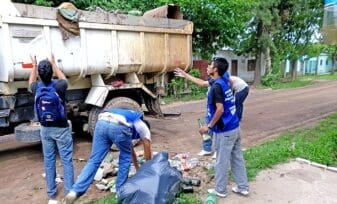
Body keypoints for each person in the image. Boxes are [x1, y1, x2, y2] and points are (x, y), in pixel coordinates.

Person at [65, 108, 151, 204]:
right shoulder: (144, 128)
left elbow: (130, 151)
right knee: (125, 160)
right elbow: (147, 149)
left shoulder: (131, 119)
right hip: (119, 126)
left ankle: (75, 191)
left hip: (102, 122)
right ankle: (120, 193)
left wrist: (137, 168)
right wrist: (148, 169)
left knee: (94, 160)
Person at [198, 57, 249, 198]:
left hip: (225, 131)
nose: (208, 67)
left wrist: (208, 126)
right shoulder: (224, 81)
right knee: (237, 158)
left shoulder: (216, 87)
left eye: (210, 65)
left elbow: (219, 110)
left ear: (215, 70)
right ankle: (243, 187)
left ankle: (220, 190)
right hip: (235, 127)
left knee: (221, 161)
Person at [28, 54, 74, 203]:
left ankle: (52, 193)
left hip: (45, 129)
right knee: (66, 160)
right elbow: (64, 79)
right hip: (61, 127)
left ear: (40, 75)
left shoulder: (37, 87)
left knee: (49, 159)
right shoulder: (59, 86)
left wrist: (34, 65)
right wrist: (54, 64)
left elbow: (30, 82)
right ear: (51, 72)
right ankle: (69, 192)